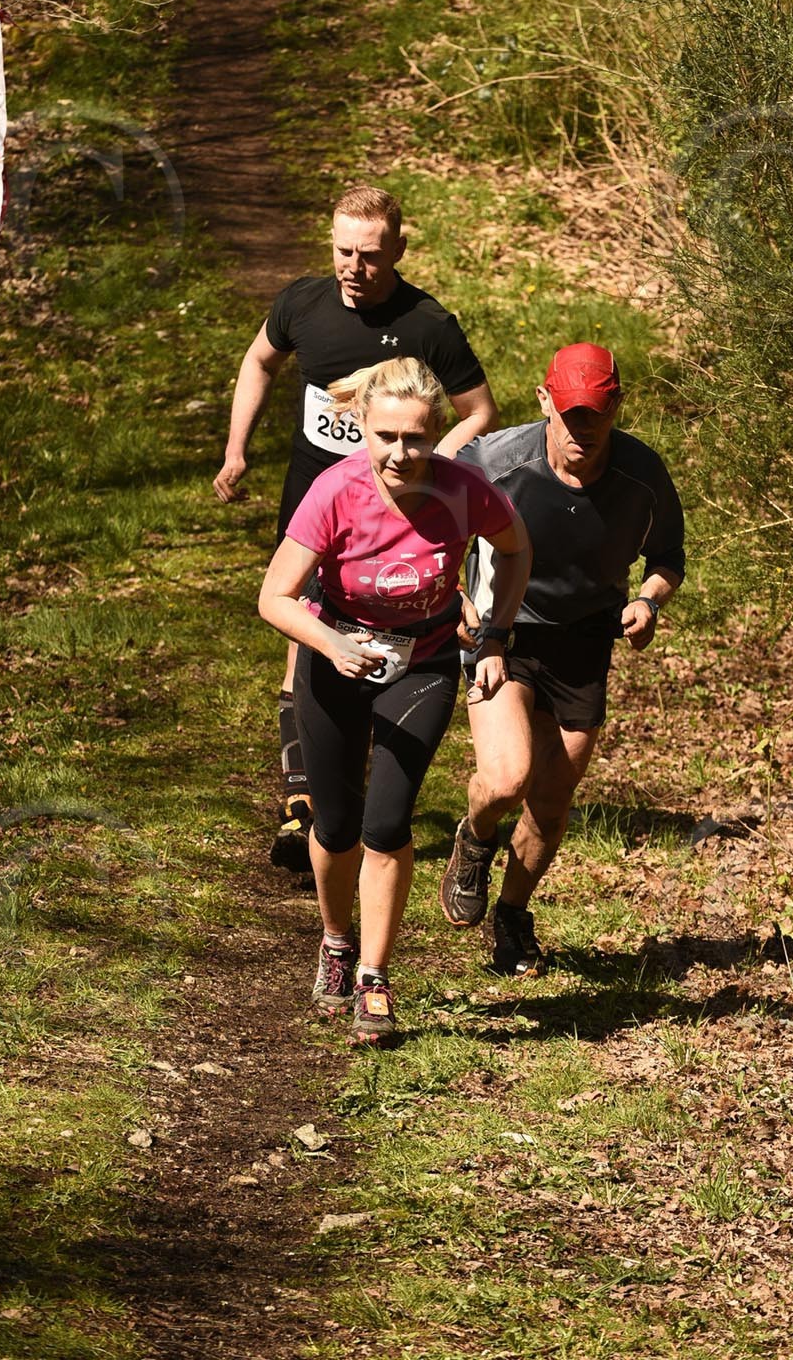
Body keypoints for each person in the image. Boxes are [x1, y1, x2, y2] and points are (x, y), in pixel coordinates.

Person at [215, 186, 498, 873]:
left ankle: (364, 777)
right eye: (343, 250)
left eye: (369, 255)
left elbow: (479, 409)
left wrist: (429, 467)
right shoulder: (303, 303)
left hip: (398, 514)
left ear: (398, 250)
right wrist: (236, 448)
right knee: (306, 631)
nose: (353, 267)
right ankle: (303, 802)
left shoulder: (427, 323)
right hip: (316, 499)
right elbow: (259, 360)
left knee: (384, 624)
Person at [258, 357, 529, 1043]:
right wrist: (330, 643)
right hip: (335, 661)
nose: (401, 453)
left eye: (416, 438)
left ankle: (374, 978)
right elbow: (274, 597)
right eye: (386, 437)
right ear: (362, 428)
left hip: (423, 665)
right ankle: (336, 940)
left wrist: (495, 636)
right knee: (336, 825)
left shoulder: (463, 491)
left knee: (386, 825)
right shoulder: (334, 491)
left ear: (437, 432)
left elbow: (515, 549)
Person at [439, 342, 685, 976]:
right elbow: (431, 531)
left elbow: (667, 559)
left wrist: (648, 601)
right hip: (503, 632)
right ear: (545, 401)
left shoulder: (642, 475)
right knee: (506, 780)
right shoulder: (495, 462)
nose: (582, 429)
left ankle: (512, 917)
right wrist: (456, 597)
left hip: (584, 642)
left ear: (617, 406)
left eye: (596, 414)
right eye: (571, 413)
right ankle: (476, 835)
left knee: (551, 801)